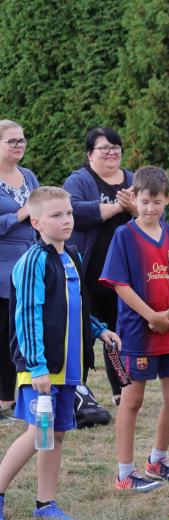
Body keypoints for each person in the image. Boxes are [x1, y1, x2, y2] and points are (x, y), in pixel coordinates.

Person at [0, 187, 121, 520]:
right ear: (36, 222)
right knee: (36, 433)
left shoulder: (73, 256)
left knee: (55, 434)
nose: (66, 220)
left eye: (68, 213)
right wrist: (37, 366)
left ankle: (45, 503)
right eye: (56, 215)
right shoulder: (33, 261)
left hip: (68, 369)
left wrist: (99, 330)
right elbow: (27, 317)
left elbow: (78, 305)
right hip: (40, 369)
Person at [99, 166, 169, 493]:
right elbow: (119, 284)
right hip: (136, 333)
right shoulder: (124, 235)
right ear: (134, 198)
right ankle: (125, 473)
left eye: (157, 201)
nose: (150, 208)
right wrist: (151, 315)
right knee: (131, 400)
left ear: (167, 200)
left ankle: (158, 460)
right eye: (144, 201)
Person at [63, 127, 136, 405]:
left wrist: (135, 209)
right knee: (82, 333)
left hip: (123, 275)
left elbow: (154, 213)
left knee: (118, 334)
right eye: (104, 148)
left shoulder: (133, 179)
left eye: (115, 147)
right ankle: (77, 391)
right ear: (89, 154)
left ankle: (120, 390)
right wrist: (118, 207)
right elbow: (74, 211)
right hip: (88, 273)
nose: (111, 152)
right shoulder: (79, 180)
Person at [0, 119, 38, 413]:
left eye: (22, 140)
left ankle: (16, 397)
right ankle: (4, 399)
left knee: (20, 333)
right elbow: (26, 213)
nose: (19, 145)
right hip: (2, 266)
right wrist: (20, 215)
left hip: (28, 265)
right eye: (12, 141)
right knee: (2, 335)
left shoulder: (28, 176)